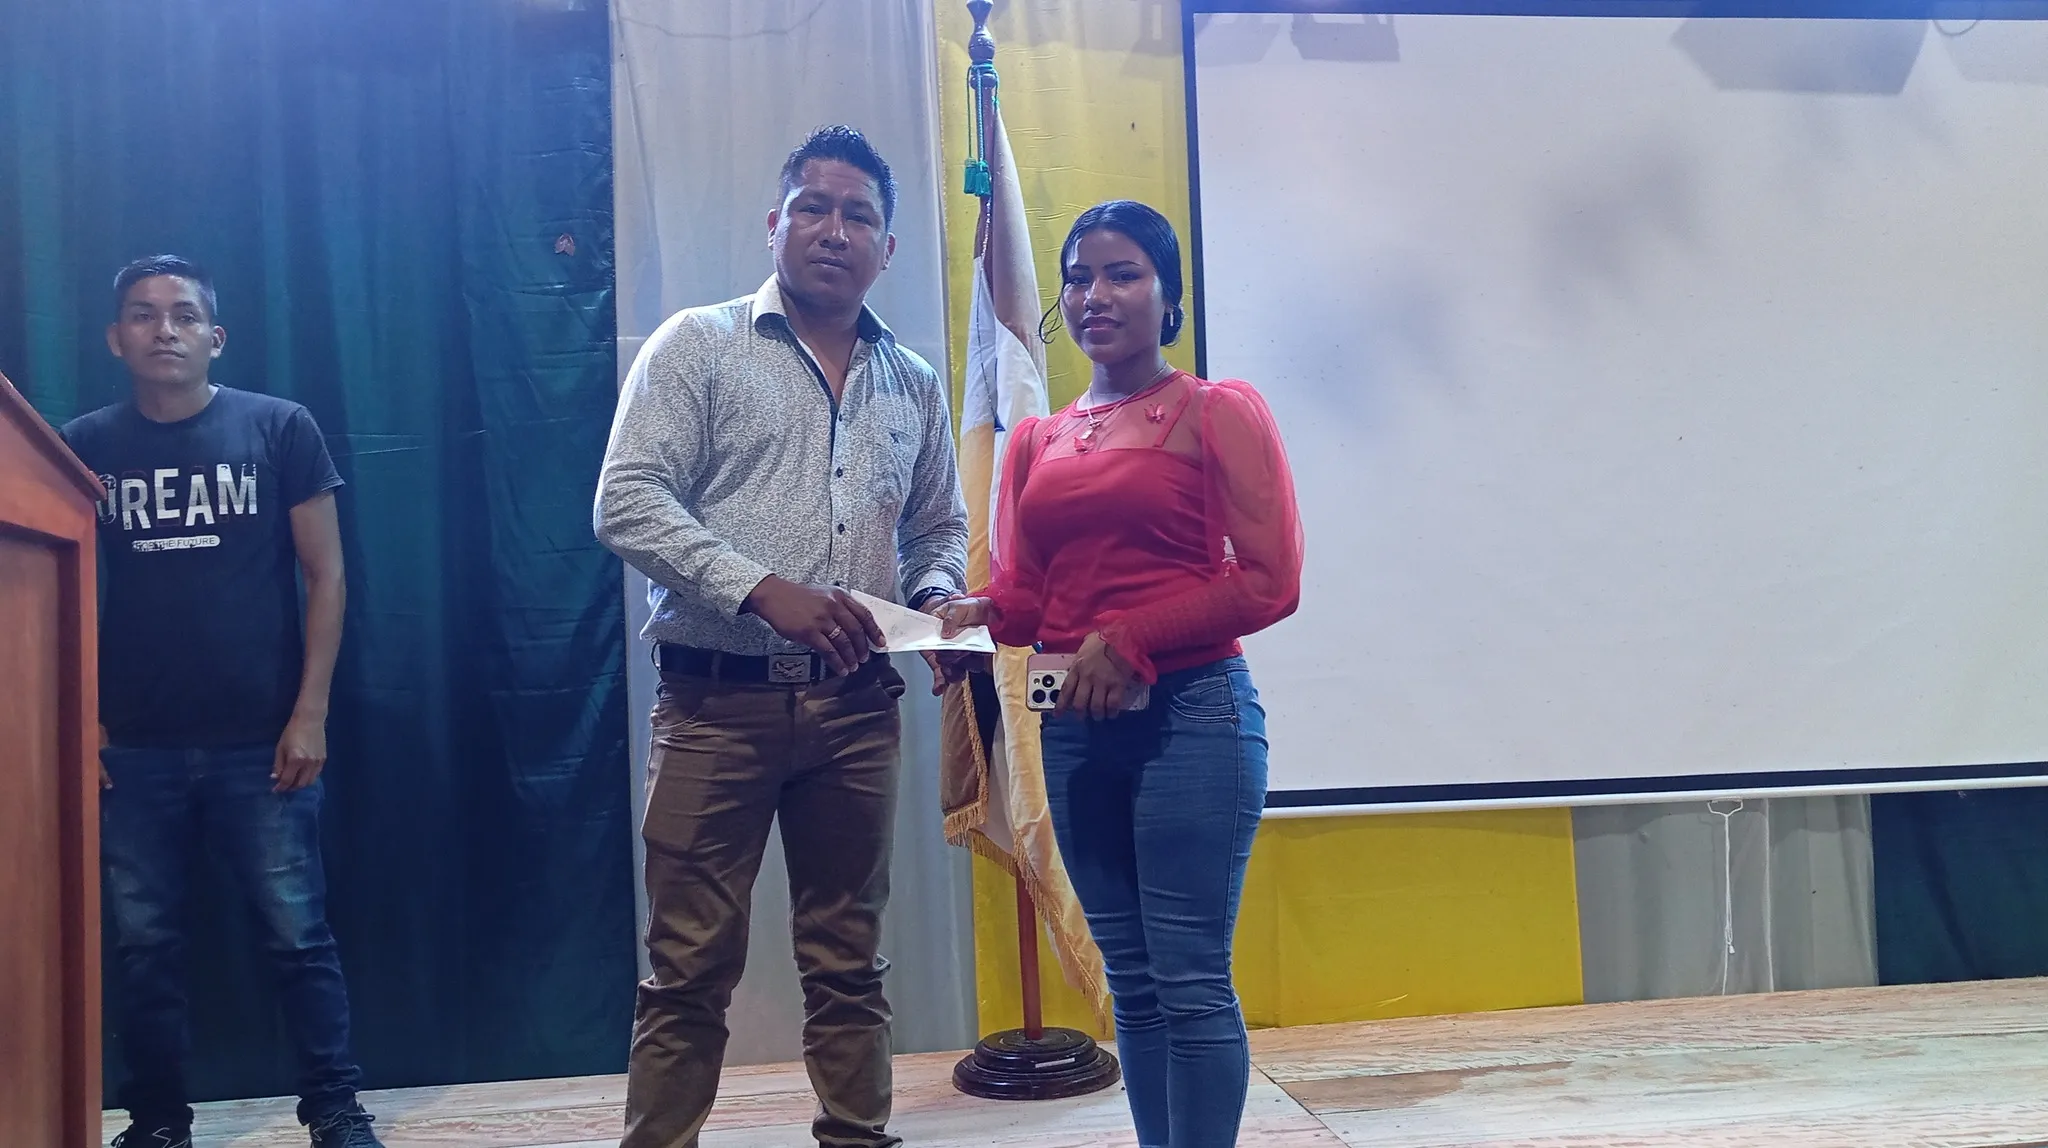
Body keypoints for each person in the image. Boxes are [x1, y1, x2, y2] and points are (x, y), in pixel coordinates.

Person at [594, 125, 970, 1148]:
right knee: (687, 967)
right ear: (775, 223)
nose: (834, 230)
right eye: (813, 207)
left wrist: (937, 593)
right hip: (714, 706)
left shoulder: (912, 380)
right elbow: (626, 500)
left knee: (848, 958)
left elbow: (937, 526)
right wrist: (763, 590)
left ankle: (856, 1133)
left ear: (886, 248)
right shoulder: (698, 345)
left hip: (856, 708)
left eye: (858, 215)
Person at [935, 201, 1303, 1148]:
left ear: (1169, 297)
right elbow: (1029, 601)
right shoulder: (1035, 440)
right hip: (1072, 726)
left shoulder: (1218, 411)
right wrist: (976, 618)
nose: (1094, 294)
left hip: (1193, 721)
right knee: (1132, 988)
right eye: (1078, 278)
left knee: (1189, 982)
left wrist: (1134, 635)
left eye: (1123, 273)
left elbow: (1271, 580)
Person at [60, 256, 384, 1148]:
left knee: (298, 937)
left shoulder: (279, 428)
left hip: (263, 742)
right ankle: (158, 1122)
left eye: (182, 314)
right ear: (115, 338)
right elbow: (56, 589)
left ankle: (335, 1110)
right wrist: (82, 721)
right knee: (144, 948)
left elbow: (326, 576)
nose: (163, 329)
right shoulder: (83, 446)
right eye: (142, 314)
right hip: (133, 748)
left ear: (215, 336)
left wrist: (310, 713)